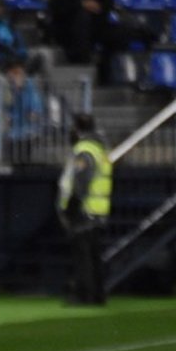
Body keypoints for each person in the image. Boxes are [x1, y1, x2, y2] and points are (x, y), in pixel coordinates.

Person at [56, 113, 112, 305]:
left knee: (83, 256)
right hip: (98, 209)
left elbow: (81, 182)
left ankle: (84, 295)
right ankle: (97, 295)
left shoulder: (85, 150)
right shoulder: (99, 149)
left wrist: (71, 208)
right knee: (93, 255)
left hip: (85, 209)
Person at [47, 0, 156, 67]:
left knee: (122, 32)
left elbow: (108, 2)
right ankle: (82, 62)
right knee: (83, 18)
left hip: (95, 28)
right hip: (68, 31)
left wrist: (98, 7)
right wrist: (81, 4)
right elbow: (57, 7)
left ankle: (151, 41)